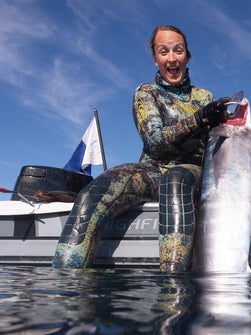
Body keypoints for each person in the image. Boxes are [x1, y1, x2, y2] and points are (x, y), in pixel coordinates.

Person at [52, 25, 229, 271]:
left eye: (178, 51)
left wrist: (235, 136)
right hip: (152, 171)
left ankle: (173, 293)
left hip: (190, 174)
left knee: (175, 180)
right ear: (155, 59)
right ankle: (63, 291)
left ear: (188, 56)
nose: (172, 58)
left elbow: (214, 147)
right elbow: (154, 140)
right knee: (94, 191)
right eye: (163, 51)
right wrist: (199, 119)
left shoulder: (204, 97)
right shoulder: (146, 92)